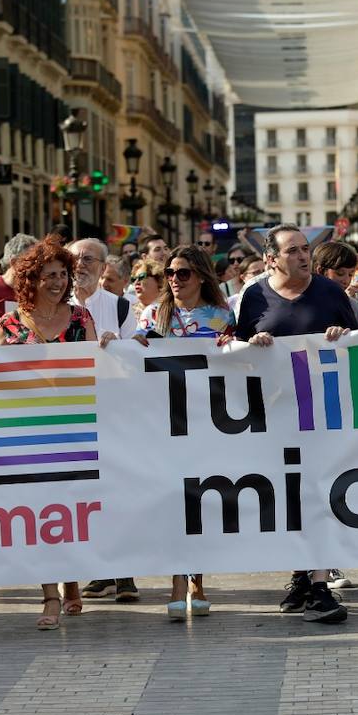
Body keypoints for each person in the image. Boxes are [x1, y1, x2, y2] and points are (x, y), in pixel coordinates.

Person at [235, 225, 354, 624]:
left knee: (321, 494)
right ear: (271, 259)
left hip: (324, 413)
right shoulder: (253, 296)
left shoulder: (331, 293)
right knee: (290, 497)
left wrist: (344, 336)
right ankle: (302, 575)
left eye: (306, 250)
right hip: (275, 416)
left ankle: (321, 586)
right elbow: (235, 355)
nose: (304, 257)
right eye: (293, 251)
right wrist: (252, 345)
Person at [0, 237, 113, 627]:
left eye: (63, 275)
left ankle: (71, 581)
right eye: (49, 276)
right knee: (40, 514)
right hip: (28, 438)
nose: (58, 282)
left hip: (76, 434)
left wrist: (112, 349)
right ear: (31, 280)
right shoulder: (8, 325)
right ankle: (49, 596)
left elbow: (97, 371)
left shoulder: (81, 320)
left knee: (71, 512)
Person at [135, 245, 233, 618]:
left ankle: (198, 580)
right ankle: (177, 580)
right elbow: (138, 356)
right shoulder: (153, 313)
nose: (175, 280)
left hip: (209, 419)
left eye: (184, 273)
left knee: (201, 500)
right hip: (166, 421)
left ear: (202, 276)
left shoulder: (220, 315)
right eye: (170, 274)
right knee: (175, 501)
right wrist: (130, 345)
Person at [68, 239, 136, 340]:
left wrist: (117, 343)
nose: (79, 264)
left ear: (103, 268)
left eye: (87, 259)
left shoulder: (121, 306)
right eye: (74, 259)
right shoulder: (56, 303)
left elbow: (133, 349)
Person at [311, 240, 358, 326]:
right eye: (340, 273)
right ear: (321, 271)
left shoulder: (353, 306)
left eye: (350, 274)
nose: (346, 280)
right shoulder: (303, 304)